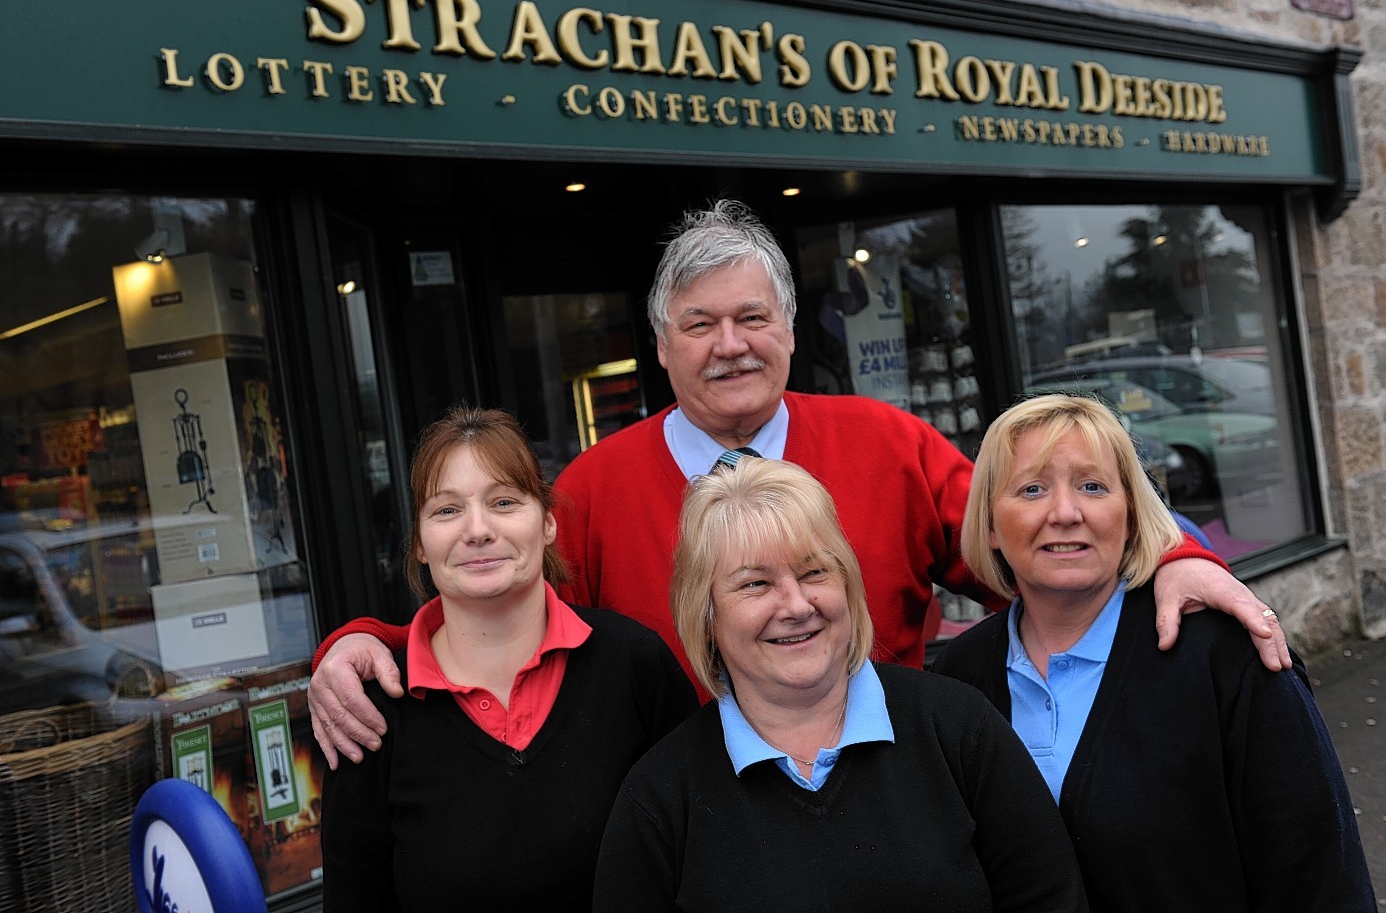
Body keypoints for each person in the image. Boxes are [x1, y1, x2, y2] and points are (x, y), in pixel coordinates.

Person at [308, 198, 1287, 769]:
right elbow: (503, 621)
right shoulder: (595, 489)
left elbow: (1040, 548)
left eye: (749, 318)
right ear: (660, 347)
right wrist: (369, 643)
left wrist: (1174, 563)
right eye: (698, 325)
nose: (727, 345)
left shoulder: (888, 443)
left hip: (899, 796)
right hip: (691, 830)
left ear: (786, 327)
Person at [931, 395, 1375, 912]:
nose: (1066, 513)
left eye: (1092, 487)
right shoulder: (960, 678)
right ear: (989, 526)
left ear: (1131, 514)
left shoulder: (1222, 655)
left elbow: (1319, 873)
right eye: (1032, 489)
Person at [591, 456, 1087, 912]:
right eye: (755, 584)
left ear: (848, 585)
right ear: (706, 617)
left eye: (814, 572)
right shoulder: (660, 798)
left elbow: (1049, 899)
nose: (796, 606)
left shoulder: (957, 729)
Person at [320, 406, 696, 911]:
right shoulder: (371, 712)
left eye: (503, 502)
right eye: (447, 510)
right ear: (420, 547)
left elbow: (702, 863)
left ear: (547, 524)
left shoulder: (634, 664)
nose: (477, 530)